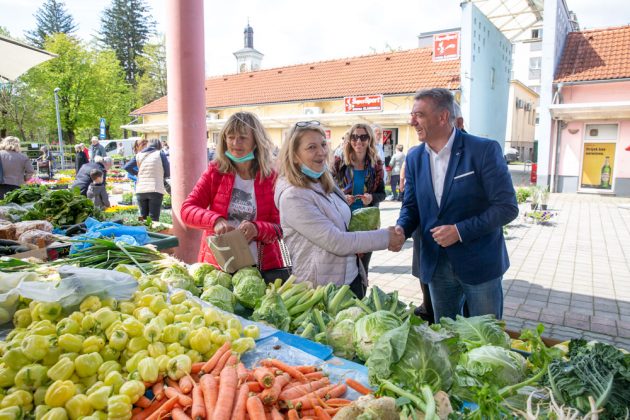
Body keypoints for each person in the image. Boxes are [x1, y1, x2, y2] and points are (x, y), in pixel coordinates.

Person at [395, 88, 518, 321]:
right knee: (446, 336)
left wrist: (459, 231)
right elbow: (411, 206)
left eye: (419, 115)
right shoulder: (414, 157)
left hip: (480, 264)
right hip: (436, 266)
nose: (412, 122)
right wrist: (402, 229)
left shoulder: (483, 150)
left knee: (484, 336)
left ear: (443, 117)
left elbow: (506, 207)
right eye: (412, 115)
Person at [274, 121, 404, 298]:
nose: (321, 152)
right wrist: (386, 237)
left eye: (323, 144)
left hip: (348, 278)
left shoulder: (322, 180)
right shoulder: (293, 196)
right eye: (311, 147)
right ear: (295, 155)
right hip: (320, 290)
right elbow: (336, 241)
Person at [181, 112, 285, 272]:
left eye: (243, 137)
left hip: (262, 267)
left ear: (256, 142)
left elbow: (282, 226)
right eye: (230, 137)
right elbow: (187, 210)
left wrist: (257, 229)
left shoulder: (271, 177)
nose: (236, 143)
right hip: (219, 265)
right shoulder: (215, 172)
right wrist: (215, 220)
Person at [332, 123, 386, 275]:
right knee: (342, 267)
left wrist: (371, 198)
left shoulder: (376, 165)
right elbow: (327, 191)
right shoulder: (339, 163)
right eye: (354, 137)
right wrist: (342, 197)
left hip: (366, 223)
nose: (358, 141)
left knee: (363, 267)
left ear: (370, 140)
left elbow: (382, 193)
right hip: (342, 222)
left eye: (363, 137)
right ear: (349, 139)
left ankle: (362, 289)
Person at [130, 139, 170, 221]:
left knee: (142, 216)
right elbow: (168, 172)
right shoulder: (160, 153)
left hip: (140, 189)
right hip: (155, 189)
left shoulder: (139, 155)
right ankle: (152, 229)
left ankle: (140, 227)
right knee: (154, 218)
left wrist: (137, 173)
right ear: (159, 146)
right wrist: (160, 175)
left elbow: (127, 166)